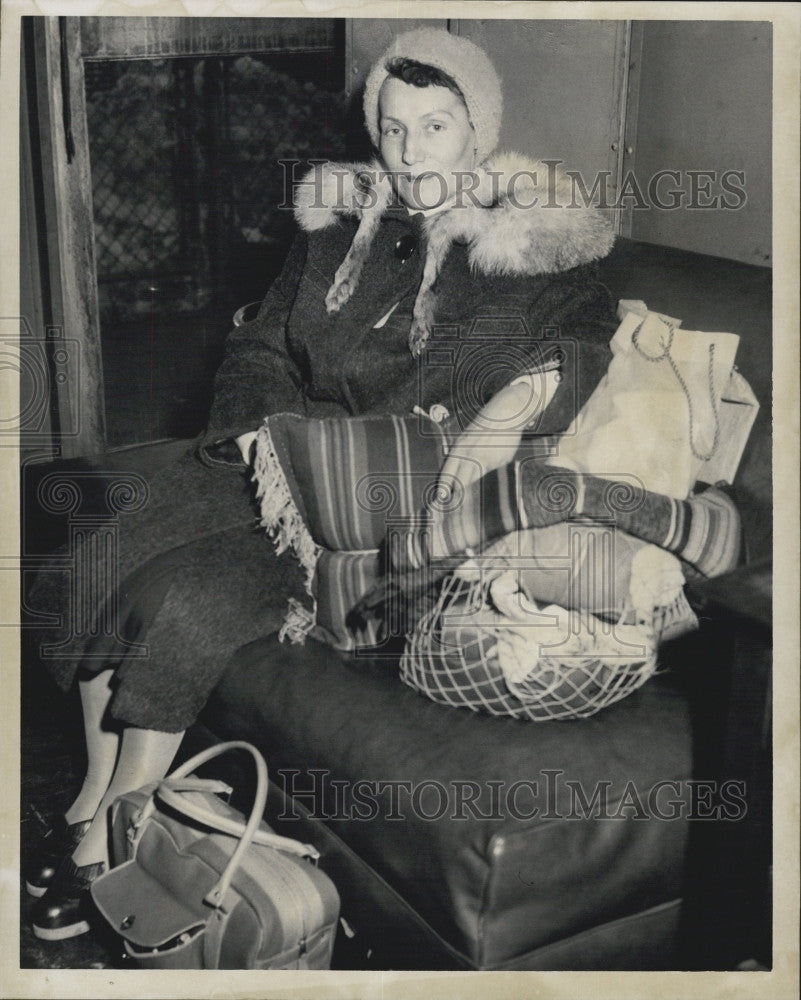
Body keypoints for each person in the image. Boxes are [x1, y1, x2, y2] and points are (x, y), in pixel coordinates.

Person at [26, 27, 622, 939]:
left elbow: (583, 341)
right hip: (284, 462)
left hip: (386, 506)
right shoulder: (342, 225)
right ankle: (87, 802)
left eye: (435, 126)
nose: (411, 152)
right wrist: (263, 434)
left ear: (480, 131)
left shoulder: (537, 248)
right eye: (391, 128)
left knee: (186, 593)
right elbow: (262, 339)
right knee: (109, 539)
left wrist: (524, 401)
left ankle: (124, 829)